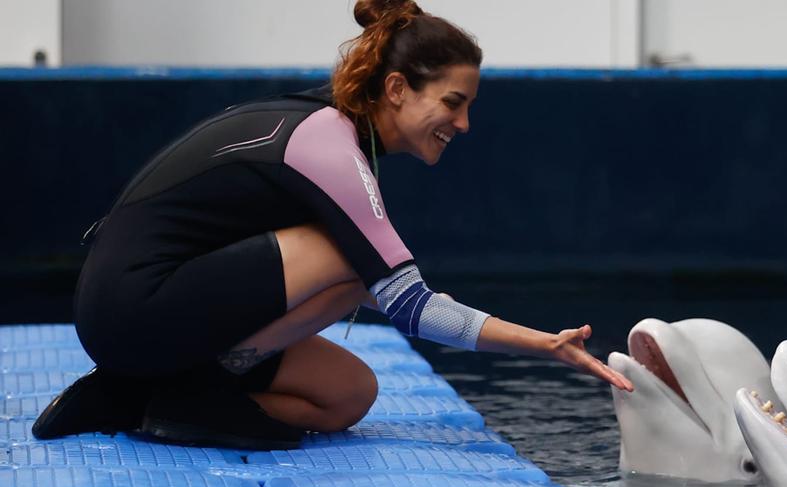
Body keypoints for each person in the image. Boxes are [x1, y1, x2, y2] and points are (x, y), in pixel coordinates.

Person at [33, 0, 633, 449]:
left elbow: (381, 291)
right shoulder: (325, 141)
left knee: (348, 395)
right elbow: (411, 305)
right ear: (397, 88)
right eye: (454, 103)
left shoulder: (336, 129)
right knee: (352, 259)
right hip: (129, 309)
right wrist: (539, 343)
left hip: (166, 309)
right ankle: (191, 388)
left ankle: (143, 400)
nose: (465, 123)